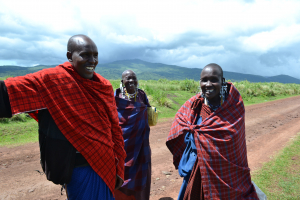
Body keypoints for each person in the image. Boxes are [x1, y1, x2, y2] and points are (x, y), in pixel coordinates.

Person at [0, 35, 126, 200]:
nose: (92, 60)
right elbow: (11, 90)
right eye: (85, 55)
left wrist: (119, 166)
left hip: (107, 164)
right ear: (69, 56)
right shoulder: (53, 81)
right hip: (79, 168)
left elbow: (115, 128)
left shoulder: (103, 86)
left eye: (95, 55)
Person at [166, 63, 259, 199]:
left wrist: (201, 137)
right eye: (204, 80)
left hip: (224, 175)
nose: (208, 84)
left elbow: (234, 146)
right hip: (196, 171)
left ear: (222, 81)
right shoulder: (193, 106)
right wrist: (196, 137)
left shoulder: (232, 110)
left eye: (213, 79)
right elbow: (180, 126)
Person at [114, 70, 152, 200]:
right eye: (127, 78)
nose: (131, 81)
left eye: (134, 78)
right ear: (122, 81)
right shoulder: (116, 96)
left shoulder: (141, 94)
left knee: (141, 173)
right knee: (120, 172)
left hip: (141, 143)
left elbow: (148, 110)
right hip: (123, 143)